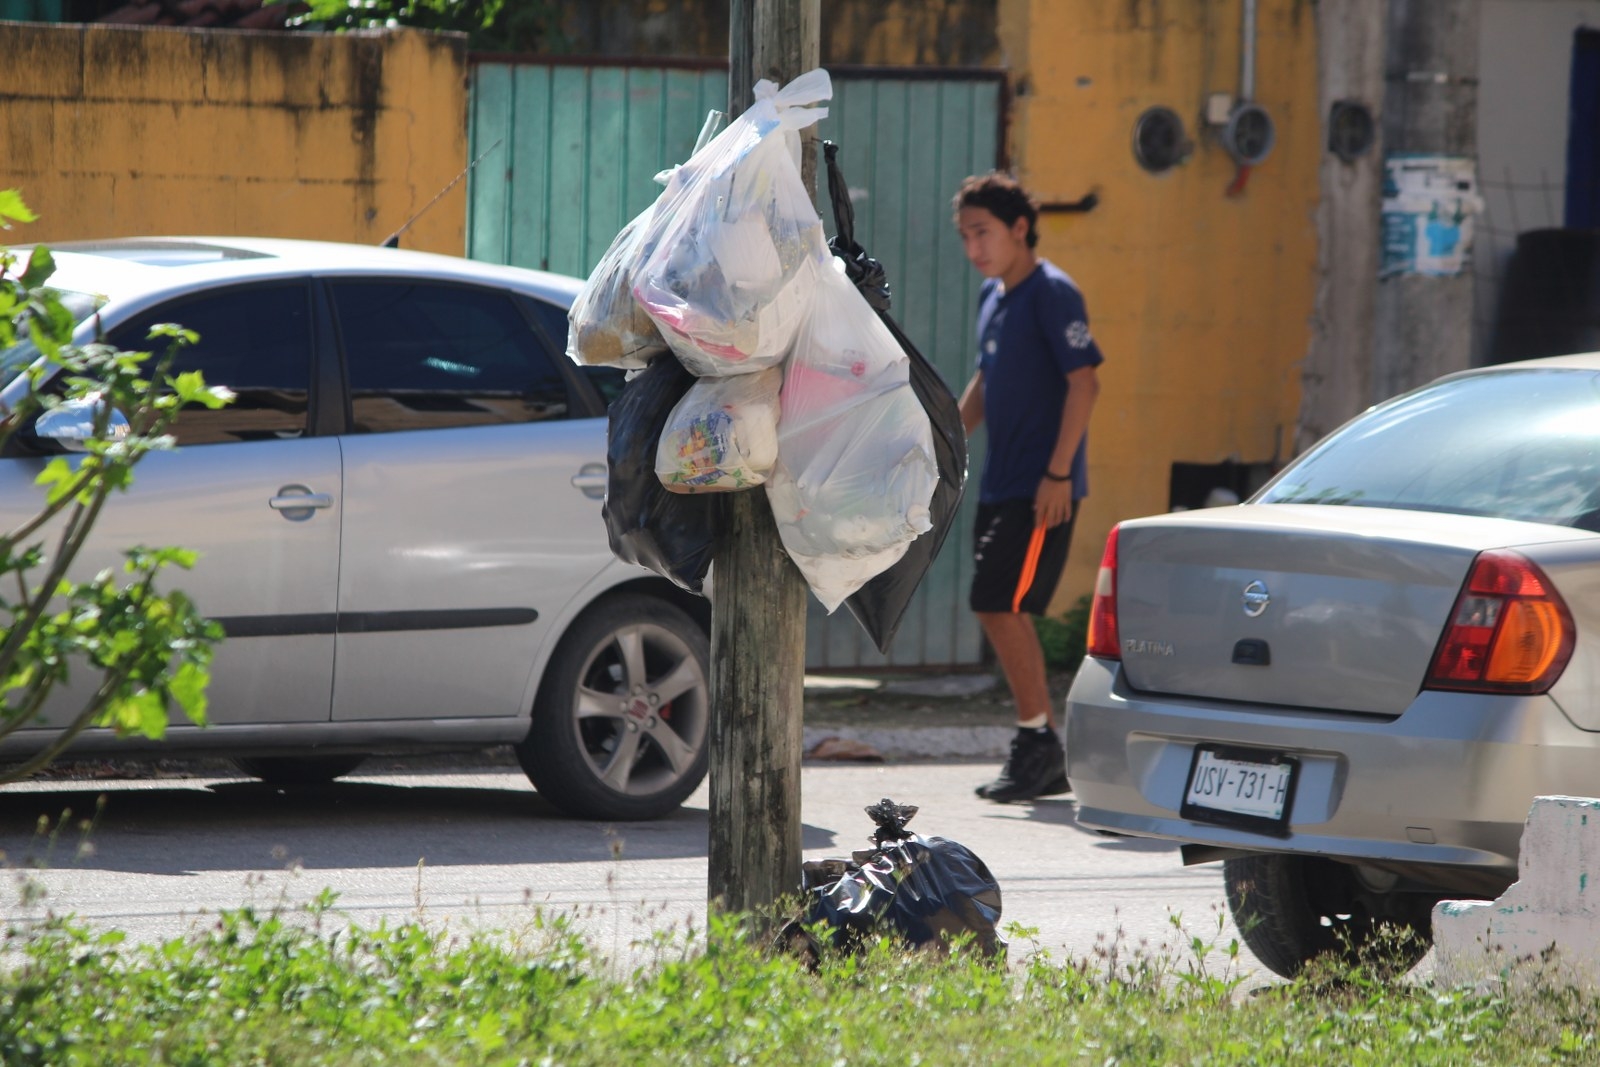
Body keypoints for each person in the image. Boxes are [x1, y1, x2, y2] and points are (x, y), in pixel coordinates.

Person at [953, 172, 1103, 804]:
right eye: (965, 237)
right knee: (997, 603)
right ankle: (1037, 742)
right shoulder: (996, 296)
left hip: (1043, 489)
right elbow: (986, 382)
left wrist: (1059, 473)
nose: (974, 248)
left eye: (982, 233)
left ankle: (1039, 744)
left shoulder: (1052, 293)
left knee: (996, 602)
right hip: (1000, 482)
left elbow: (1085, 383)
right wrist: (945, 440)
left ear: (1019, 228)